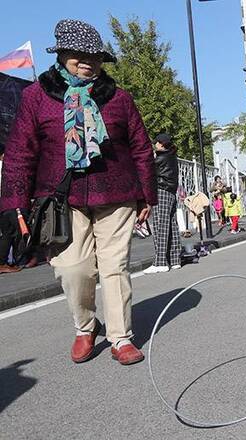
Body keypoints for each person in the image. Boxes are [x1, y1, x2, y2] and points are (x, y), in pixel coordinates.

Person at [0, 20, 157, 365]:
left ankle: (120, 338)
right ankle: (86, 327)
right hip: (60, 200)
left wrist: (147, 195)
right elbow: (19, 154)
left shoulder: (118, 98)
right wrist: (13, 205)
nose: (87, 60)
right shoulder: (35, 97)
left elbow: (141, 148)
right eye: (78, 54)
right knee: (74, 270)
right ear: (62, 54)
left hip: (116, 195)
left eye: (95, 56)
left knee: (115, 267)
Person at [144, 133, 181, 274]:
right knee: (172, 225)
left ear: (161, 144)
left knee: (161, 225)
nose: (155, 145)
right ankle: (175, 259)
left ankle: (160, 262)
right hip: (171, 192)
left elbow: (148, 171)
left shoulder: (160, 157)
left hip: (161, 190)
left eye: (156, 143)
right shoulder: (172, 156)